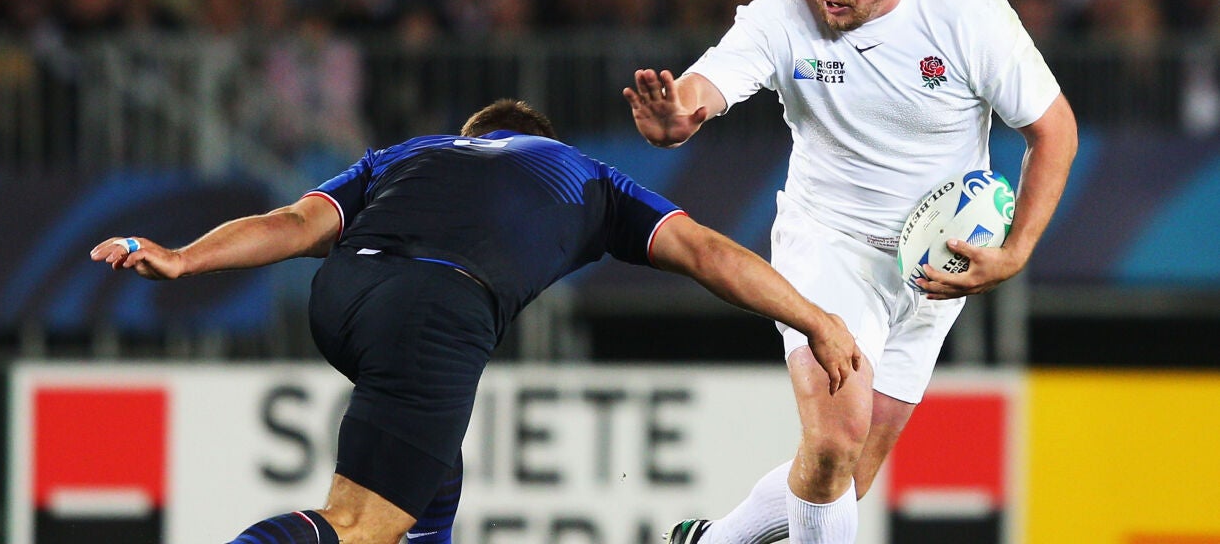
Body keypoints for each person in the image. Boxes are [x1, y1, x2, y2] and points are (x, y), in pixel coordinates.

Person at [90, 99, 862, 544]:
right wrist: (814, 318)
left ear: (474, 134)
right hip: (434, 308)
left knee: (432, 472)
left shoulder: (406, 154)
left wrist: (184, 258)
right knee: (358, 525)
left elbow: (293, 222)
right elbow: (708, 253)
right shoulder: (586, 176)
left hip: (344, 295)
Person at [624, 0, 1078, 544]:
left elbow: (1053, 129)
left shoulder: (966, 11)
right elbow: (707, 84)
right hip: (828, 245)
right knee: (835, 441)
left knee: (847, 476)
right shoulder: (782, 15)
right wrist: (678, 116)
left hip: (934, 264)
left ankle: (709, 541)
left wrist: (1015, 253)